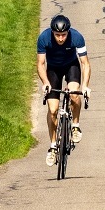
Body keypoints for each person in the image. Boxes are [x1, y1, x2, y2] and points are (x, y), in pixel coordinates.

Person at [37, 14, 90, 165]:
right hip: (53, 69)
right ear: (52, 32)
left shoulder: (77, 37)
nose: (60, 38)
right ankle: (53, 146)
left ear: (68, 32)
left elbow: (85, 63)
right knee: (53, 110)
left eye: (63, 35)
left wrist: (85, 85)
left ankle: (75, 125)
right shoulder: (44, 38)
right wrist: (46, 82)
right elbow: (41, 64)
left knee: (74, 94)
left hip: (71, 65)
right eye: (57, 35)